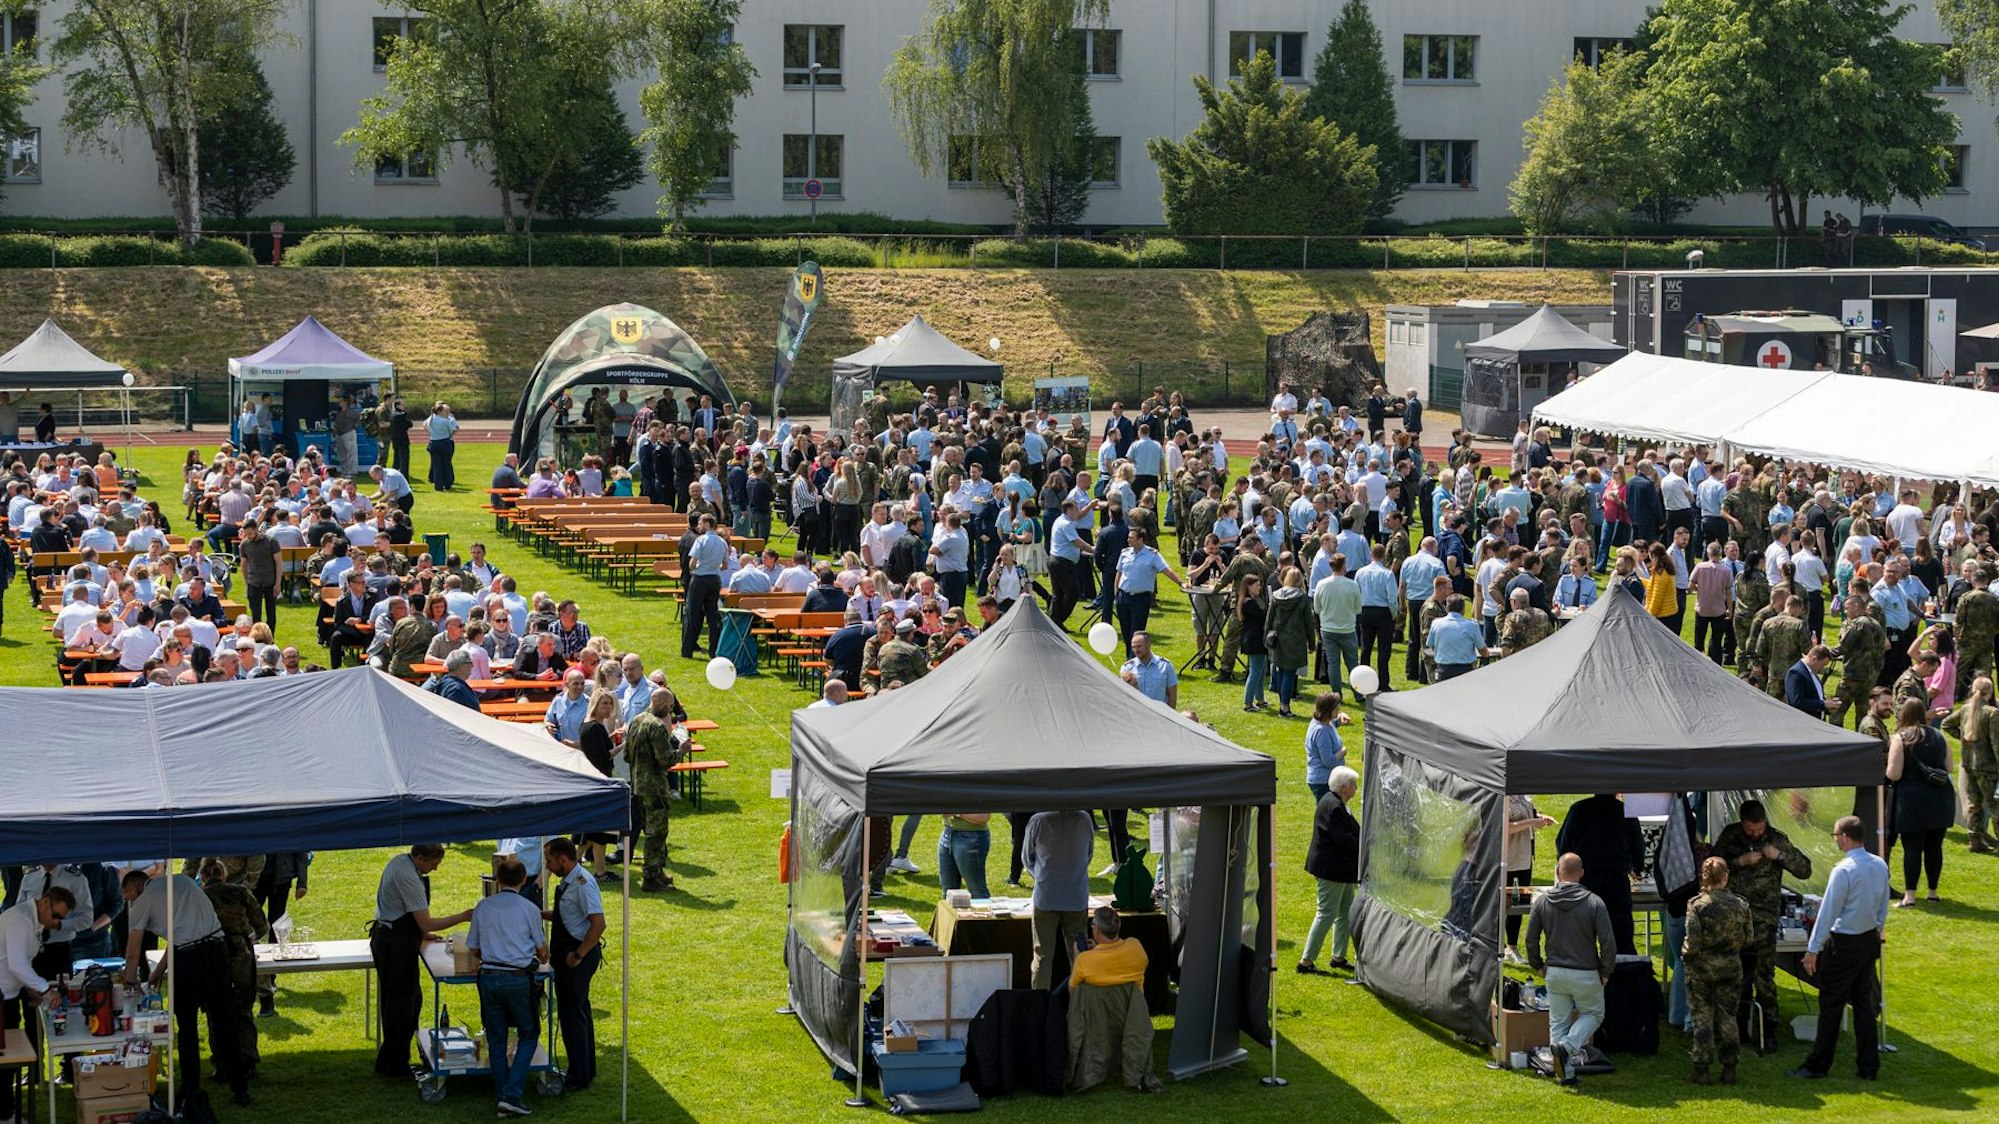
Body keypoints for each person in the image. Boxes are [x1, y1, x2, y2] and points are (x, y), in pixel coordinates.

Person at [122, 869, 251, 1107]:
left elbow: (133, 951)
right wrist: (157, 973)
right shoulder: (182, 881)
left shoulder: (143, 901)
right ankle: (240, 1087)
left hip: (190, 959)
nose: (129, 902)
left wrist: (130, 981)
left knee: (187, 1025)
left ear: (137, 887)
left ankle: (191, 1087)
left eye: (128, 896)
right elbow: (180, 935)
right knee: (225, 1021)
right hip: (216, 949)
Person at [1790, 815, 1891, 1081]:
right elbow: (1883, 905)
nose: (1835, 840)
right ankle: (1869, 1066)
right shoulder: (1880, 864)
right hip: (1868, 940)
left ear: (1845, 837)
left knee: (1831, 1005)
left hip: (1844, 943)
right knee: (1864, 1005)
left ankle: (1818, 1065)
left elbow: (1827, 912)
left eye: (1836, 836)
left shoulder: (1844, 870)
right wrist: (1876, 928)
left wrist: (1812, 950)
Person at [1712, 799, 1812, 1054]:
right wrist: (1739, 862)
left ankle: (1768, 1030)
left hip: (1765, 917)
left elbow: (1805, 870)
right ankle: (1735, 1026)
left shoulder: (1777, 839)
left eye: (1758, 829)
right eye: (1750, 830)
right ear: (1742, 823)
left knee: (1764, 975)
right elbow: (1713, 866)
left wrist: (1780, 856)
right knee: (1734, 973)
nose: (1755, 834)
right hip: (1735, 916)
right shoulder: (1731, 835)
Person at [369, 845, 472, 1079]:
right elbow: (426, 922)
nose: (435, 869)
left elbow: (405, 913)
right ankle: (396, 1065)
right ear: (419, 857)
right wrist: (463, 916)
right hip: (395, 944)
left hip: (393, 937)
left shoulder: (402, 863)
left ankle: (390, 1060)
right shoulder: (408, 877)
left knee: (407, 1001)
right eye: (433, 863)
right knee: (401, 1006)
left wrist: (420, 935)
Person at [1523, 853, 1616, 1087]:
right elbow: (1607, 942)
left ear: (1557, 871)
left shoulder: (1543, 901)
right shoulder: (1594, 902)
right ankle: (1567, 1049)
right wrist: (1606, 971)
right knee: (1594, 1014)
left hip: (1554, 971)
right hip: (1585, 971)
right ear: (1582, 873)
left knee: (1558, 1022)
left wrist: (1538, 965)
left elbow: (1530, 938)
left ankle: (1565, 1072)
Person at [465, 858, 547, 1118]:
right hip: (518, 978)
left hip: (489, 976)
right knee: (529, 1034)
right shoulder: (529, 909)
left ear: (497, 880)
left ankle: (505, 1095)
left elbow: (473, 947)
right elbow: (541, 949)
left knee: (496, 1038)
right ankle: (511, 1095)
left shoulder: (483, 907)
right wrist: (543, 957)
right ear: (524, 880)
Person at [0, 885, 73, 1122]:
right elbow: (17, 964)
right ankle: (5, 1114)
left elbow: (19, 964)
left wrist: (32, 989)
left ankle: (6, 1111)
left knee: (7, 1060)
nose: (57, 922)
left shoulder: (31, 921)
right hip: (2, 997)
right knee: (4, 1060)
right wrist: (44, 990)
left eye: (61, 919)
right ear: (45, 902)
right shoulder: (20, 920)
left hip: (8, 995)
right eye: (56, 916)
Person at [538, 839, 604, 1094]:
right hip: (570, 955)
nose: (547, 865)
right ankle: (586, 1069)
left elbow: (598, 924)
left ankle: (578, 1076)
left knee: (572, 1016)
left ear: (563, 860)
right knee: (580, 1011)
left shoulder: (582, 884)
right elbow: (568, 915)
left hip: (577, 957)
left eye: (550, 861)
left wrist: (578, 954)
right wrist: (540, 913)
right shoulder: (568, 882)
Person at [1682, 856, 1752, 1086]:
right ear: (1725, 876)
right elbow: (1749, 938)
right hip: (1731, 968)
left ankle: (1701, 1070)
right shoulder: (1741, 904)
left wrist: (1686, 956)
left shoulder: (1697, 906)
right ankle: (1729, 1068)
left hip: (1701, 969)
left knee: (1702, 1018)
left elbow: (1692, 942)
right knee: (1728, 1017)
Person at [1555, 793, 1643, 955]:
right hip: (1616, 882)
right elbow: (1638, 847)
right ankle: (1621, 977)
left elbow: (1563, 845)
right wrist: (1637, 868)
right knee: (1621, 940)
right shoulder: (1624, 811)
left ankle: (1586, 976)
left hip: (1585, 881)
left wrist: (1567, 872)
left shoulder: (1579, 809)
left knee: (1582, 939)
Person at [1888, 697, 1954, 907]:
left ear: (1904, 714)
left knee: (1912, 848)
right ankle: (1933, 893)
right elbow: (1949, 767)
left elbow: (1894, 773)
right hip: (1940, 798)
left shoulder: (1900, 738)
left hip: (1911, 801)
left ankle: (1910, 896)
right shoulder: (1940, 736)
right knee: (1935, 848)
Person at [1298, 766, 1361, 975]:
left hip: (1342, 870)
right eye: (1353, 784)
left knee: (1345, 913)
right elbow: (1342, 839)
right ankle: (1306, 962)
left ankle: (1338, 957)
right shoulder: (1333, 806)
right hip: (1331, 870)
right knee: (1326, 914)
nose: (1356, 788)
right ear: (1343, 787)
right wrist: (1366, 844)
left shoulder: (1338, 803)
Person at [1023, 809, 1094, 989]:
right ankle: (1080, 1008)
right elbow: (1088, 854)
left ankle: (1041, 1009)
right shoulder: (1084, 819)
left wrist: (1043, 876)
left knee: (1043, 956)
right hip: (1074, 895)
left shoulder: (1038, 820)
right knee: (1079, 956)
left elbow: (1027, 858)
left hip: (1047, 896)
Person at [626, 689, 684, 892]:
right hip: (654, 788)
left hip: (637, 785)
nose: (670, 711)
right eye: (669, 707)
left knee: (650, 829)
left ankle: (657, 870)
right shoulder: (657, 727)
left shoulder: (637, 720)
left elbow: (626, 754)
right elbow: (666, 759)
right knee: (656, 832)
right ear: (661, 704)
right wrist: (681, 752)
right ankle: (650, 877)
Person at [1503, 795, 1553, 961]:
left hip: (1524, 858)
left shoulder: (1522, 794)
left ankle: (1512, 948)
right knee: (1504, 904)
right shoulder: (1505, 797)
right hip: (1508, 859)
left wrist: (1540, 818)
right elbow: (1505, 827)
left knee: (1520, 903)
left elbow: (1526, 814)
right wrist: (1532, 822)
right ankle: (1497, 945)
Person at [1303, 692, 1345, 801]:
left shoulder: (1324, 722)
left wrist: (1339, 721)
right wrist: (1342, 752)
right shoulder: (1321, 731)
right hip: (1323, 781)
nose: (1339, 708)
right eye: (1336, 707)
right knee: (1328, 814)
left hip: (1325, 780)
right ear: (1329, 710)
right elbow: (1329, 761)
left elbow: (1331, 725)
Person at [1786, 644, 1836, 717]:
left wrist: (1828, 706)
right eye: (1822, 665)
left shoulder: (1812, 672)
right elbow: (1796, 702)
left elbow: (1815, 696)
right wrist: (1823, 704)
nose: (1822, 669)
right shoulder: (1796, 673)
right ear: (1814, 659)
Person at [426, 401, 459, 491]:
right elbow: (452, 430)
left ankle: (438, 486)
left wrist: (432, 433)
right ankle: (447, 484)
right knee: (446, 464)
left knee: (436, 465)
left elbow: (425, 426)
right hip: (444, 442)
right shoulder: (445, 421)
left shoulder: (431, 420)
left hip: (433, 442)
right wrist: (447, 436)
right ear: (440, 412)